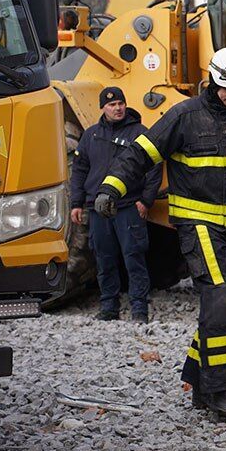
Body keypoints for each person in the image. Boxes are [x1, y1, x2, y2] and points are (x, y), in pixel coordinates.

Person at [95, 48, 226, 417]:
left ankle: (197, 375)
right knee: (220, 296)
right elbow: (140, 153)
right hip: (197, 224)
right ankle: (219, 390)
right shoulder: (184, 116)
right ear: (211, 80)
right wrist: (111, 187)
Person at [70, 87, 161, 323]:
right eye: (112, 105)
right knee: (104, 259)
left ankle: (139, 311)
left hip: (129, 206)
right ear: (103, 108)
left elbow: (153, 168)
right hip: (98, 210)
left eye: (121, 103)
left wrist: (146, 200)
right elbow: (79, 172)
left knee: (134, 258)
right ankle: (109, 308)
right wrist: (76, 203)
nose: (117, 108)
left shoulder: (140, 134)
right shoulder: (91, 135)